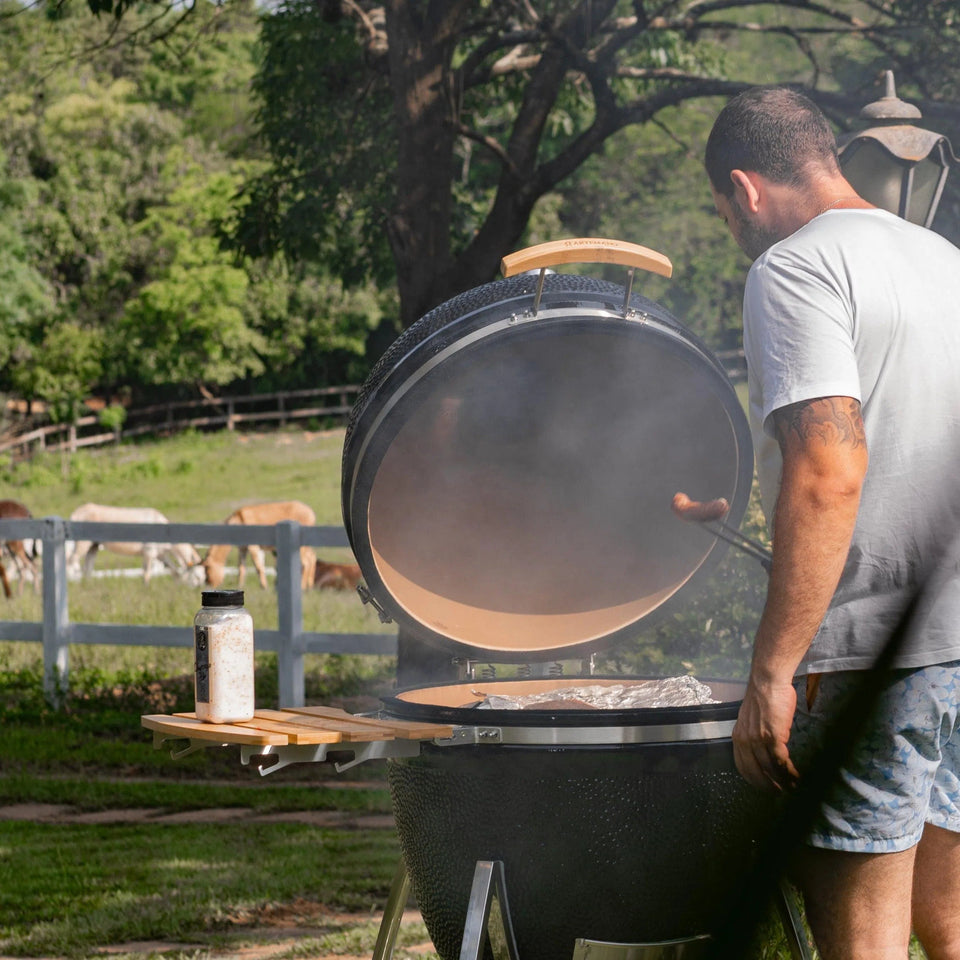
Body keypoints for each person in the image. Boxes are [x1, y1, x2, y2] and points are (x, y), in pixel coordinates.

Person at [703, 85, 960, 959]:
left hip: (872, 662)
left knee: (863, 938)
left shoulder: (794, 268)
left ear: (745, 188)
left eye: (725, 213)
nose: (735, 232)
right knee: (951, 921)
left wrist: (772, 672)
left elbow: (828, 471)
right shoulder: (943, 260)